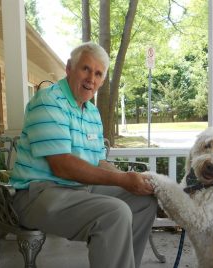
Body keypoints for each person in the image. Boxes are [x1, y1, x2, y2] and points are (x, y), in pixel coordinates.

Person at [10, 41, 157, 268]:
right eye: (85, 69)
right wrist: (122, 180)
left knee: (143, 201)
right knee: (114, 213)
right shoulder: (49, 101)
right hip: (37, 194)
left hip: (77, 189)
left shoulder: (91, 112)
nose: (91, 79)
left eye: (98, 74)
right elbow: (63, 166)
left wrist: (130, 180)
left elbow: (99, 161)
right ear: (69, 68)